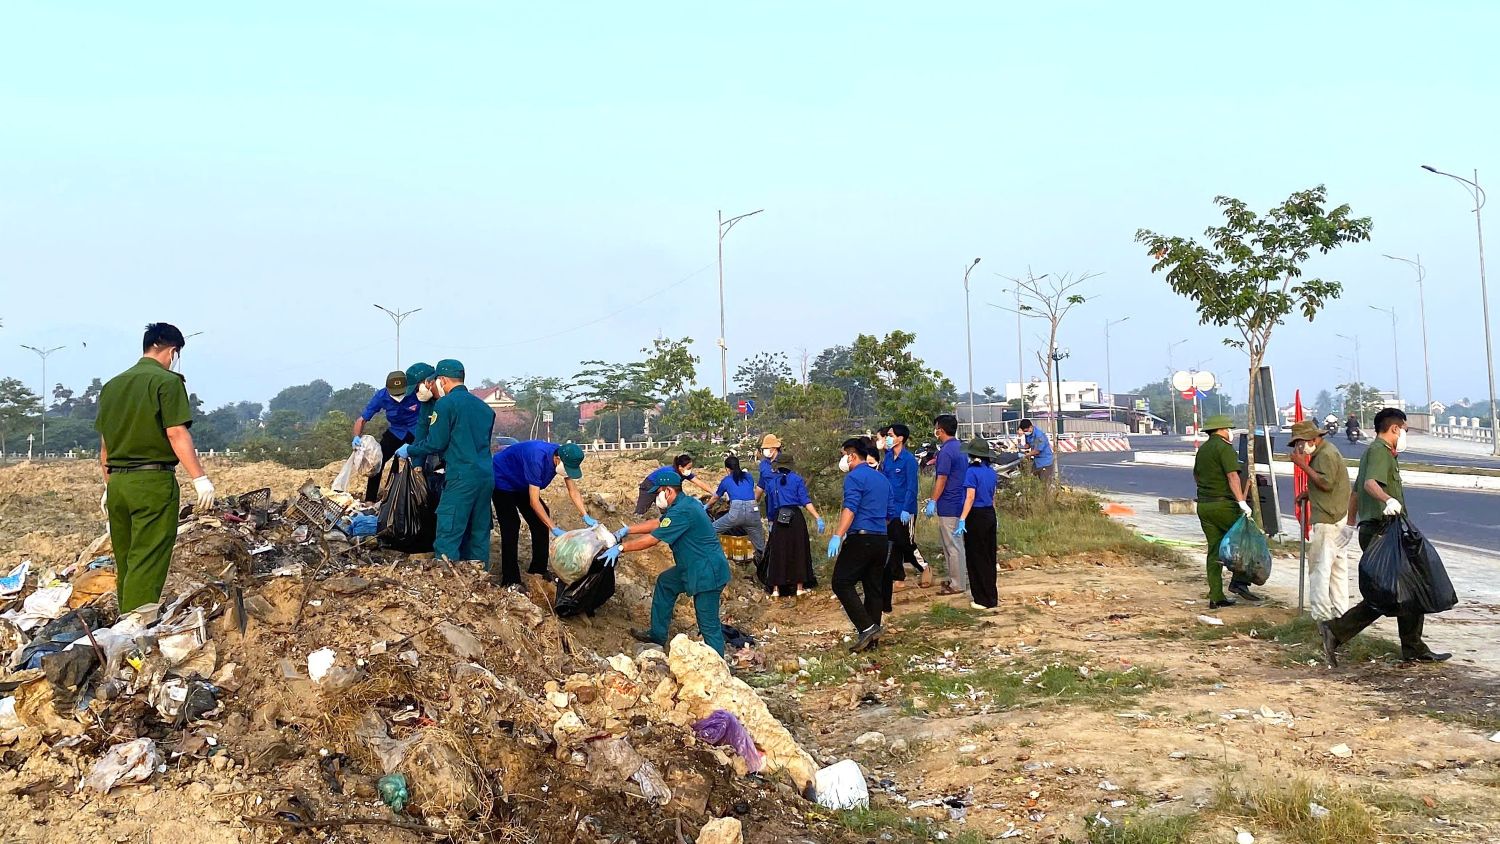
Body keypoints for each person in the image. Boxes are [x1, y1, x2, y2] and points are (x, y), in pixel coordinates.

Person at [96, 323, 216, 612]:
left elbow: (105, 446)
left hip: (119, 486)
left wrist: (108, 485)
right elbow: (176, 433)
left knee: (126, 561)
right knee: (147, 561)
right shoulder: (167, 382)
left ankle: (124, 625)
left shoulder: (112, 386)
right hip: (152, 483)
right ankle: (135, 631)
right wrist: (200, 479)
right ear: (173, 351)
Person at [1319, 408, 1450, 665]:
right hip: (1383, 530)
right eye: (1404, 429)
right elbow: (1369, 485)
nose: (1404, 434)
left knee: (1409, 588)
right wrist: (1388, 499)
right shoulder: (1379, 451)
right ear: (1394, 428)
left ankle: (1413, 646)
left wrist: (1350, 523)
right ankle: (1335, 630)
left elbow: (1356, 491)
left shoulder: (1373, 452)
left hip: (1378, 529)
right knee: (1387, 595)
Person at [609, 468, 731, 655]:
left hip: (707, 571)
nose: (656, 498)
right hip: (692, 567)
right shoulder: (683, 504)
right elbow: (659, 523)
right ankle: (657, 635)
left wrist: (620, 548)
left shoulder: (683, 510)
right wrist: (627, 530)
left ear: (668, 491)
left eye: (658, 493)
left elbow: (652, 539)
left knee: (708, 623)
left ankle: (719, 669)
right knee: (666, 583)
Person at [397, 359, 495, 566]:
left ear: (441, 380)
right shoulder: (484, 408)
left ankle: (448, 581)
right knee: (478, 532)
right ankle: (480, 580)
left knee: (449, 530)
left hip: (460, 475)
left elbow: (436, 442)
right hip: (486, 476)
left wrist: (410, 450)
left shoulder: (445, 404)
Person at [490, 440, 594, 585]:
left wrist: (585, 515)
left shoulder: (564, 457)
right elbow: (534, 501)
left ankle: (538, 570)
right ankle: (510, 579)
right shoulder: (536, 458)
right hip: (502, 479)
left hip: (522, 482)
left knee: (540, 521)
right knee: (511, 524)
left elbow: (573, 491)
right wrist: (554, 528)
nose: (568, 473)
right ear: (557, 459)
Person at [827, 438, 893, 652]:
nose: (843, 459)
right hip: (881, 539)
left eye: (845, 454)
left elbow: (850, 508)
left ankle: (866, 627)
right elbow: (890, 513)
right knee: (873, 588)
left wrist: (838, 534)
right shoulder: (882, 479)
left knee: (841, 582)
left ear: (852, 455)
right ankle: (872, 641)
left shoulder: (854, 477)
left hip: (861, 537)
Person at [1288, 419, 1354, 621]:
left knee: (1320, 568)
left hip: (1328, 520)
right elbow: (1327, 485)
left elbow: (1325, 483)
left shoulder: (1325, 455)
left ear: (1312, 439)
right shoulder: (1324, 453)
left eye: (1299, 443)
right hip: (1335, 517)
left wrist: (1302, 465)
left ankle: (1321, 616)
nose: (1299, 447)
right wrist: (1309, 493)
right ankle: (1341, 615)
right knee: (1336, 571)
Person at [1192, 414, 1257, 608]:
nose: (1231, 433)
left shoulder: (1203, 450)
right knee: (1246, 541)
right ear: (1221, 430)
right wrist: (1241, 502)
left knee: (1214, 550)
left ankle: (1216, 595)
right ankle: (1239, 582)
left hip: (1204, 506)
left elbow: (1196, 475)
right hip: (1223, 506)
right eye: (1229, 429)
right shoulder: (1224, 448)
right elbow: (1233, 476)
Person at [353, 371, 423, 502]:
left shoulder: (416, 392)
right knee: (377, 461)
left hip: (417, 431)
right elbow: (362, 419)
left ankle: (418, 499)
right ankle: (370, 499)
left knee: (420, 463)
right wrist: (356, 437)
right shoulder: (381, 396)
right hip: (396, 431)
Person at [761, 452, 822, 597]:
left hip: (778, 518)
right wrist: (818, 517)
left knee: (778, 552)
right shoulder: (797, 480)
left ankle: (776, 589)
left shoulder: (771, 483)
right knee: (798, 551)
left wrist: (770, 521)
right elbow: (805, 501)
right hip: (795, 518)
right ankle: (799, 587)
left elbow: (770, 506)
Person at [880, 424, 931, 590]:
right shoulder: (887, 458)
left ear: (900, 438)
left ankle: (924, 567)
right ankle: (898, 576)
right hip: (890, 508)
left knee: (906, 542)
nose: (887, 438)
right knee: (892, 542)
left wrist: (907, 509)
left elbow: (912, 486)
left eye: (890, 435)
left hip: (904, 509)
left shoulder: (908, 460)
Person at [925, 414, 968, 596]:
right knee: (956, 544)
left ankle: (958, 584)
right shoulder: (961, 448)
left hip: (949, 502)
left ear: (940, 430)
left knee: (952, 545)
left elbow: (942, 478)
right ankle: (957, 578)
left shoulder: (946, 452)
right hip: (960, 500)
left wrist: (933, 500)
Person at [955, 436, 1000, 611]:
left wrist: (962, 519)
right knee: (989, 557)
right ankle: (991, 596)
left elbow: (970, 497)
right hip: (989, 513)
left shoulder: (971, 472)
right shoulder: (991, 472)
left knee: (976, 557)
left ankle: (981, 599)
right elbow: (993, 496)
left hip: (976, 515)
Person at [712, 455, 765, 560]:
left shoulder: (726, 480)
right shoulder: (748, 476)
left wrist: (706, 506)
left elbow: (715, 498)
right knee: (761, 546)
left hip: (736, 512)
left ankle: (712, 554)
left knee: (711, 529)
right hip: (753, 510)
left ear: (727, 469)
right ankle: (765, 566)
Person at [634, 453, 714, 517]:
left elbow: (699, 483)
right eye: (688, 468)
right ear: (680, 467)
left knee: (667, 509)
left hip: (665, 488)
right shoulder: (670, 473)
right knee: (642, 510)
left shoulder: (684, 473)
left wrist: (713, 493)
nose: (690, 470)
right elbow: (670, 490)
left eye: (691, 468)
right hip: (650, 485)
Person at [1017, 419, 1056, 484]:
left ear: (1031, 427)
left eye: (1026, 431)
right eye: (1024, 431)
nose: (1026, 433)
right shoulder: (1028, 434)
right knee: (1033, 482)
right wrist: (1021, 447)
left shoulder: (1039, 436)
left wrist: (1026, 455)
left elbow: (1037, 451)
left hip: (1045, 462)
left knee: (1045, 484)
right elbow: (1028, 445)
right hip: (1036, 462)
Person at [757, 433, 783, 520]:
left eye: (767, 448)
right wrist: (754, 502)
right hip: (770, 500)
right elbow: (761, 485)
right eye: (764, 449)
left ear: (774, 448)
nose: (765, 451)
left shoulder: (784, 461)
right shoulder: (764, 464)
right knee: (772, 526)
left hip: (784, 499)